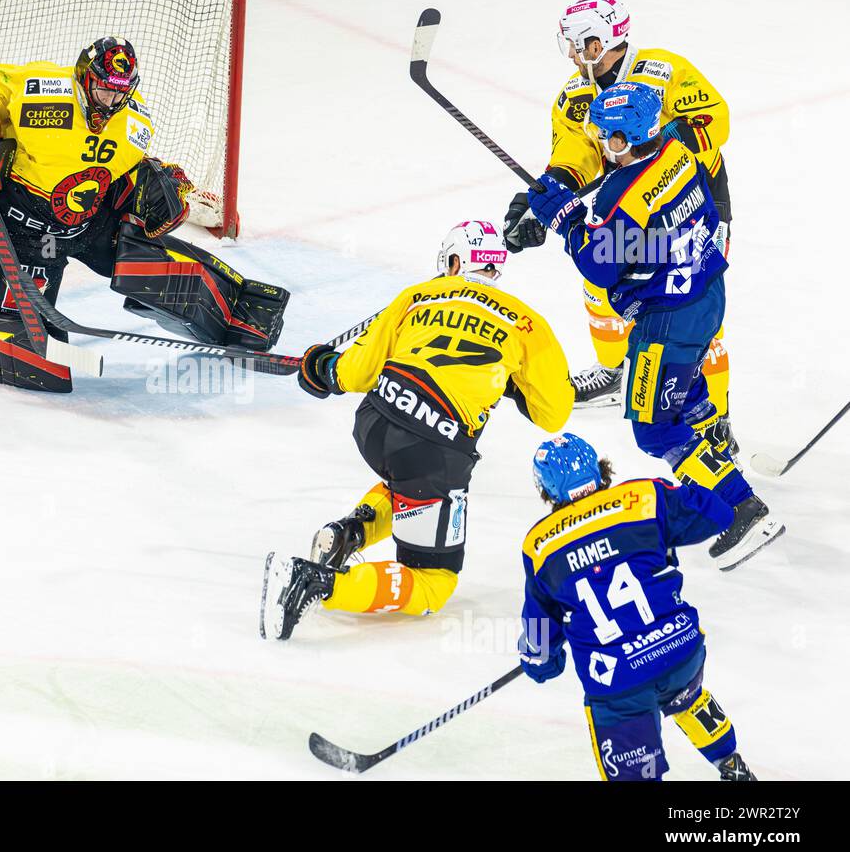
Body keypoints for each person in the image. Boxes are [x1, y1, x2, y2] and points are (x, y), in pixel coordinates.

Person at [259, 221, 574, 640]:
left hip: (373, 421)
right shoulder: (528, 324)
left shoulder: (416, 296)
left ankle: (347, 533)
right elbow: (554, 415)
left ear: (456, 261)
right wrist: (514, 384)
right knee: (433, 583)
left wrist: (322, 367)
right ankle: (316, 585)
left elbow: (355, 371)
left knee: (409, 488)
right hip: (434, 449)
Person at [526, 82, 782, 571]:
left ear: (626, 138)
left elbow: (601, 264)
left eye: (609, 138)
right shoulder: (677, 149)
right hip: (706, 297)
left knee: (654, 428)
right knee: (688, 401)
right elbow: (640, 221)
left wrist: (567, 221)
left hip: (667, 320)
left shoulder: (627, 194)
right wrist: (584, 211)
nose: (603, 145)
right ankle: (728, 485)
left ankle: (742, 509)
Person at [503, 0, 736, 459]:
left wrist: (650, 146)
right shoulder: (574, 97)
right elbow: (574, 159)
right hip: (627, 204)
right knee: (604, 288)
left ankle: (716, 413)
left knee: (691, 301)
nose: (570, 55)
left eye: (576, 45)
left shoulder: (663, 71)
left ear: (598, 42)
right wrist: (542, 198)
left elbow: (715, 118)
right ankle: (615, 371)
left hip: (691, 201)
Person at [0, 36, 287, 356]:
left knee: (158, 274)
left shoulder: (134, 121)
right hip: (30, 233)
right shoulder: (42, 89)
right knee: (28, 337)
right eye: (104, 89)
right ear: (84, 77)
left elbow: (130, 170)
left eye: (118, 93)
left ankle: (237, 319)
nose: (110, 101)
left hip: (92, 226)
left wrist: (157, 184)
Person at [519, 432, 756, 781]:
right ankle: (730, 764)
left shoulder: (540, 545)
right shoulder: (644, 497)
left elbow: (539, 634)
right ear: (599, 470)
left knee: (634, 771)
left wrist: (540, 663)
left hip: (618, 680)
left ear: (547, 490)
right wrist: (662, 524)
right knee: (686, 695)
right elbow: (718, 514)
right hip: (681, 649)